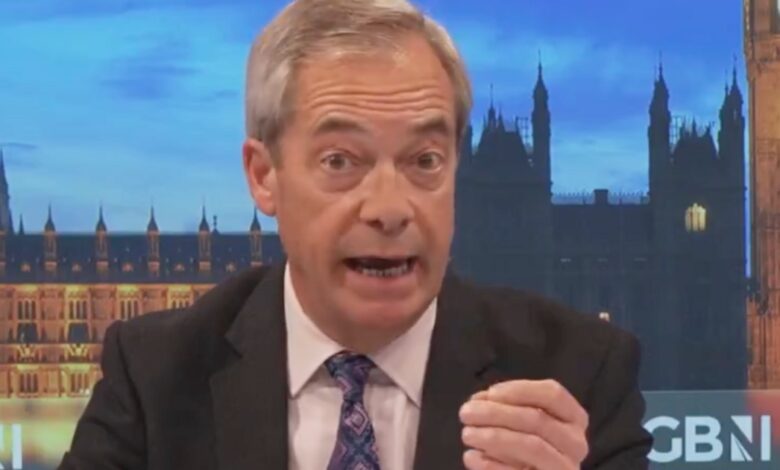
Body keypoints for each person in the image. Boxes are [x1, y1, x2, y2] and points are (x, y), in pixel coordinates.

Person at [59, 0, 653, 469]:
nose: (390, 209)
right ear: (264, 176)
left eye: (424, 160)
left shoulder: (577, 375)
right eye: (340, 161)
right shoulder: (156, 375)